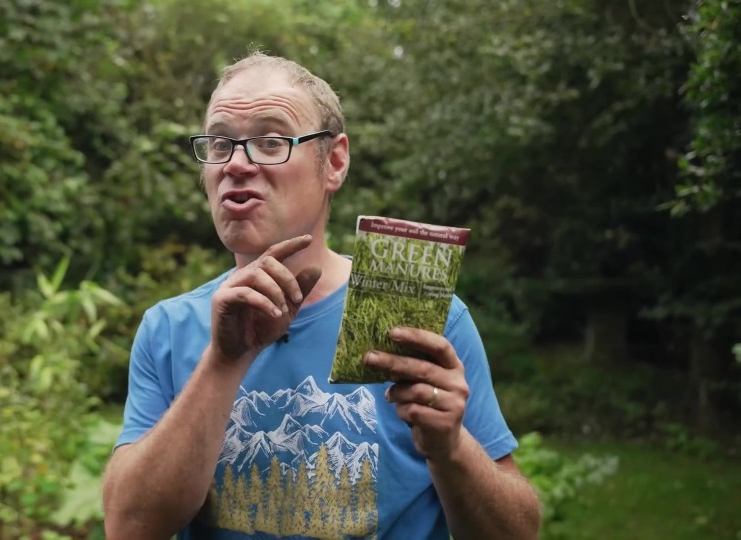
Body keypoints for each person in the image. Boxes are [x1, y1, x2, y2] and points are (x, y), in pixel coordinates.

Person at [102, 52, 541, 539]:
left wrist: (452, 448)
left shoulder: (419, 320)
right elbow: (129, 527)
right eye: (221, 142)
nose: (237, 164)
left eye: (271, 141)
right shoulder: (169, 327)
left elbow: (517, 533)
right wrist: (224, 361)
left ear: (333, 162)